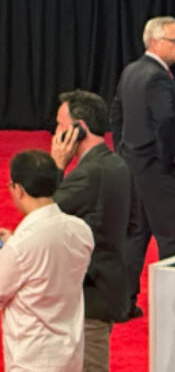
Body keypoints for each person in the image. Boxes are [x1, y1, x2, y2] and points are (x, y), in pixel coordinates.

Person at [109, 15, 175, 319]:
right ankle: (172, 310)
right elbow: (166, 121)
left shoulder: (131, 71)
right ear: (157, 43)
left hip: (133, 166)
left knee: (136, 236)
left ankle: (125, 302)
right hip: (157, 173)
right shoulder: (157, 77)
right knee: (171, 238)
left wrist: (124, 150)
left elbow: (116, 114)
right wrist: (168, 157)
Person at [50, 90, 140, 372]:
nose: (55, 133)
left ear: (79, 128)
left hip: (90, 295)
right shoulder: (117, 164)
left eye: (60, 125)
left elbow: (44, 216)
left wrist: (57, 166)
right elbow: (135, 224)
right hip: (105, 288)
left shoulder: (90, 173)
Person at [0, 150, 94, 372]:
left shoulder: (21, 247)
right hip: (70, 356)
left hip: (31, 361)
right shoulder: (81, 231)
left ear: (19, 189)